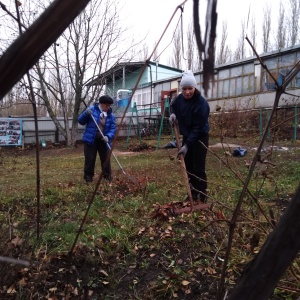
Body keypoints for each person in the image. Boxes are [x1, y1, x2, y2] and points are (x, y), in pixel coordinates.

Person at [169, 70, 210, 203]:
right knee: (189, 167)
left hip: (200, 137)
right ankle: (192, 194)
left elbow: (197, 129)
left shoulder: (201, 104)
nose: (187, 92)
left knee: (198, 167)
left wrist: (187, 145)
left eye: (190, 88)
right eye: (184, 89)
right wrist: (173, 114)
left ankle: (202, 195)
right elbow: (173, 106)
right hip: (187, 135)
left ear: (194, 87)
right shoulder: (180, 98)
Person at [78, 95, 116, 183]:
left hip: (104, 140)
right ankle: (88, 178)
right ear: (101, 104)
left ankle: (107, 177)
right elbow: (81, 121)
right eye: (107, 105)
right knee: (90, 159)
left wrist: (108, 136)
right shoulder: (91, 110)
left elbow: (113, 128)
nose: (108, 107)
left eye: (109, 105)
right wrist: (85, 113)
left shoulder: (111, 116)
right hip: (91, 139)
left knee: (105, 159)